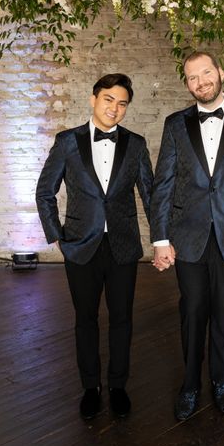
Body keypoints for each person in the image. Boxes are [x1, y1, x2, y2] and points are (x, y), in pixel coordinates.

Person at [150, 51, 224, 421]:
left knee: (222, 311)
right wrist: (160, 238)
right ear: (186, 84)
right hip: (187, 237)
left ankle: (220, 380)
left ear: (221, 72)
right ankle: (190, 384)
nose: (201, 81)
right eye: (192, 77)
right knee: (192, 311)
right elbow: (164, 184)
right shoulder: (175, 124)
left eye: (206, 73)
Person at [36, 73, 153, 420]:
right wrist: (57, 235)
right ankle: (91, 387)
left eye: (122, 103)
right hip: (80, 246)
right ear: (93, 99)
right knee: (84, 319)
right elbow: (45, 192)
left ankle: (118, 386)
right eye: (108, 100)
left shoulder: (136, 144)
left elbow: (151, 194)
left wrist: (163, 239)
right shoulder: (67, 142)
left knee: (122, 319)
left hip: (122, 245)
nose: (114, 109)